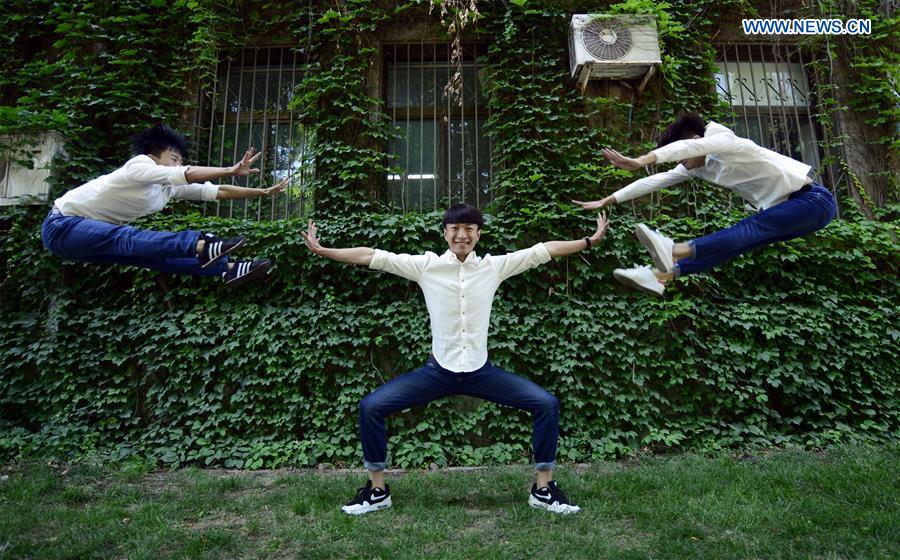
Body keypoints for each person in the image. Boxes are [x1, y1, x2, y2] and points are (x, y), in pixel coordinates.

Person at [302, 203, 609, 515]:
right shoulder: (425, 266)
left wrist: (588, 241)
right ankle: (377, 491)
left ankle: (543, 490)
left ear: (478, 234)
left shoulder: (494, 267)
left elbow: (542, 250)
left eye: (469, 229)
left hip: (481, 372)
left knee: (546, 404)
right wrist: (325, 250)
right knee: (371, 407)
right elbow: (371, 256)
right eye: (455, 229)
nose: (462, 235)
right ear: (445, 233)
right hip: (438, 372)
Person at [573, 113, 837, 296]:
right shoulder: (695, 168)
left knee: (750, 228)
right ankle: (661, 276)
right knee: (744, 241)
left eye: (685, 154)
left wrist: (642, 159)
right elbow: (655, 181)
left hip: (813, 200)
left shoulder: (724, 140)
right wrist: (611, 198)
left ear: (696, 142)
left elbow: (680, 150)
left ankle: (673, 249)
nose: (682, 162)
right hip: (793, 213)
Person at [42, 124, 286, 286]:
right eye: (174, 158)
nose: (178, 164)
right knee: (126, 238)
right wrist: (231, 169)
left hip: (82, 242)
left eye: (181, 160)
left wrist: (263, 191)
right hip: (63, 225)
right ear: (154, 155)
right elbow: (187, 174)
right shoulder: (139, 165)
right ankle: (201, 245)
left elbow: (217, 191)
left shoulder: (168, 187)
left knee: (153, 257)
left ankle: (229, 268)